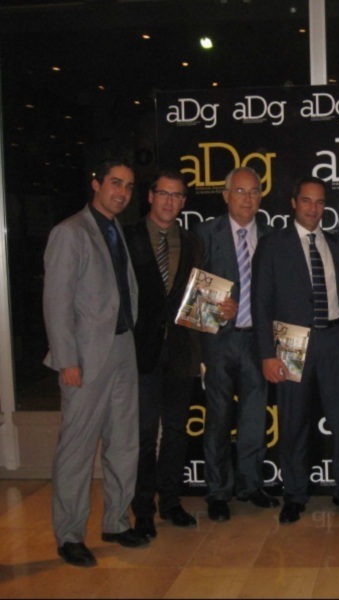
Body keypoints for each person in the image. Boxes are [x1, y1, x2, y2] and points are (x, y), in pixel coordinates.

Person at [43, 158, 147, 567]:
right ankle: (69, 535)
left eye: (128, 186)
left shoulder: (114, 228)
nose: (121, 192)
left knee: (124, 444)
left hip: (122, 349)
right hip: (85, 357)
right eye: (115, 183)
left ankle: (116, 522)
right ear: (95, 184)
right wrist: (67, 359)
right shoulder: (70, 232)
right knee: (77, 449)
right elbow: (56, 302)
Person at [252, 176, 339, 524]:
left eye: (319, 202)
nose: (314, 208)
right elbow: (261, 303)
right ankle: (295, 495)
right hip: (291, 342)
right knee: (294, 422)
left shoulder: (337, 243)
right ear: (293, 203)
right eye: (307, 201)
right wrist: (267, 354)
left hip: (334, 339)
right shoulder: (272, 245)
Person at [124, 169, 213, 538]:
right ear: (150, 195)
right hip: (137, 352)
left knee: (176, 431)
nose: (169, 202)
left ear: (183, 202)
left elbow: (198, 299)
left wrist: (215, 311)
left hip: (180, 352)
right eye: (164, 194)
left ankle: (171, 502)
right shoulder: (125, 238)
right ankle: (142, 508)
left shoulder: (193, 243)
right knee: (144, 434)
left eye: (177, 196)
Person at [195, 166, 278, 522]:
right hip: (218, 342)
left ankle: (249, 485)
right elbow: (189, 290)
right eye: (240, 192)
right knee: (217, 420)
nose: (248, 198)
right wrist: (216, 306)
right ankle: (217, 492)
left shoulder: (273, 237)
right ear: (226, 195)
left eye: (254, 191)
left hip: (257, 343)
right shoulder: (204, 234)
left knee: (253, 420)